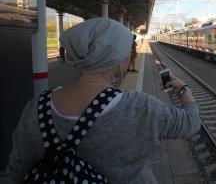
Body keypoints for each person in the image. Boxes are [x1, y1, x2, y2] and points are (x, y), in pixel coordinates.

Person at [6, 18, 200, 183]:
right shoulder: (140, 106)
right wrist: (182, 88)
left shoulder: (37, 107)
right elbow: (191, 123)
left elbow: (15, 172)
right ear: (117, 60)